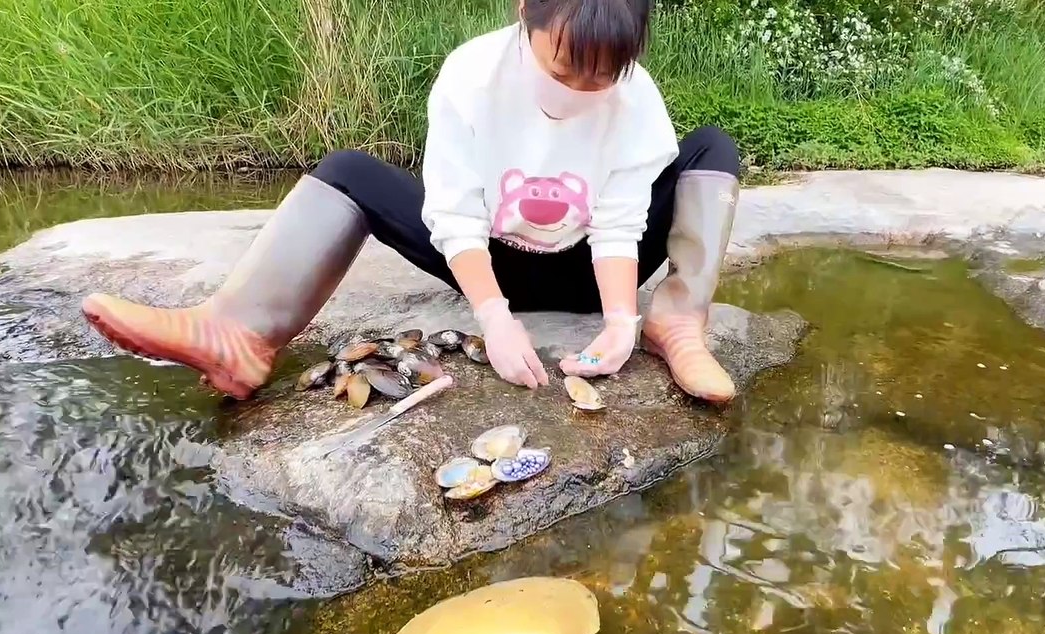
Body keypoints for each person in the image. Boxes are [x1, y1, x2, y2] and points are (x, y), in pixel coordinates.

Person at [80, 0, 742, 405]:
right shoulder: (472, 75)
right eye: (566, 68)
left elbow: (624, 219)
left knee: (713, 146)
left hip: (590, 271)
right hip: (490, 258)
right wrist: (494, 317)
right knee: (347, 171)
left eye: (604, 77)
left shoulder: (636, 96)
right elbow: (452, 212)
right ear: (525, 12)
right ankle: (240, 334)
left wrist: (622, 321)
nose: (583, 89)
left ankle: (675, 327)